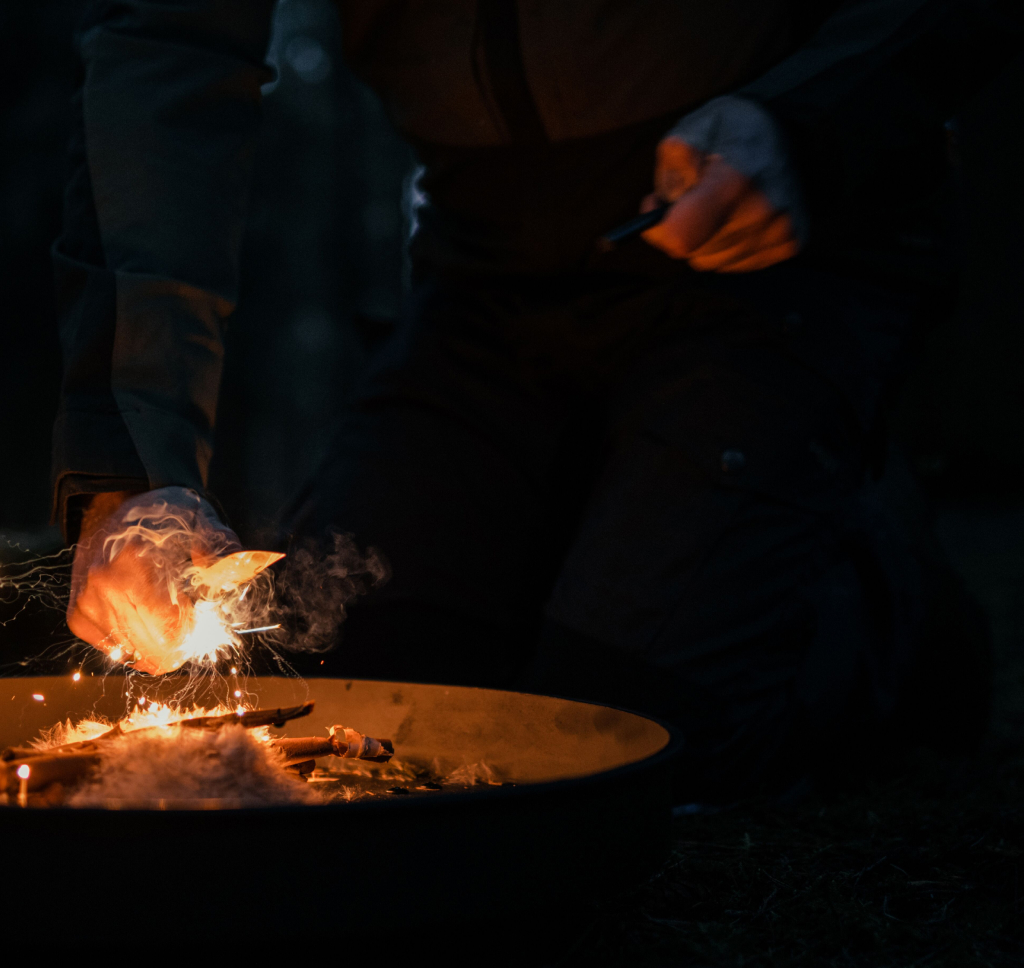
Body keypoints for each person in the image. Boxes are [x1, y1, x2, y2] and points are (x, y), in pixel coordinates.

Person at [51, 0, 1020, 801]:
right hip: (488, 264)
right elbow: (163, 48)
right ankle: (603, 539)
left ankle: (873, 579)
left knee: (631, 734)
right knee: (370, 680)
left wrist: (816, 112)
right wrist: (135, 464)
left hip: (764, 226)